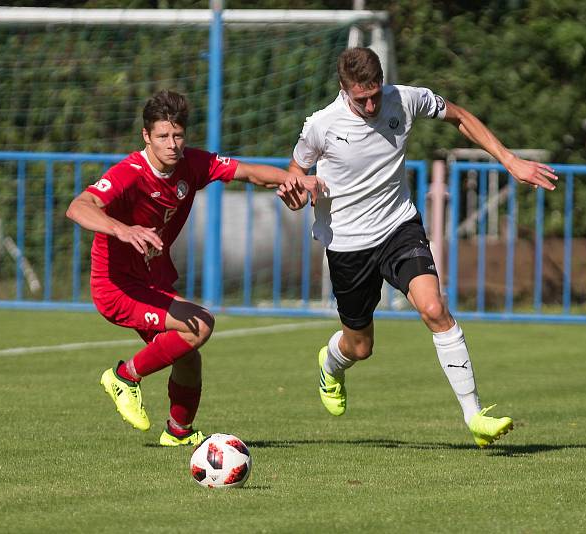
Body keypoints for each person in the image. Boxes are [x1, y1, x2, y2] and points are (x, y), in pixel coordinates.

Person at [282, 47, 558, 447]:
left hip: (399, 227)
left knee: (434, 308)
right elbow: (295, 169)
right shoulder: (321, 126)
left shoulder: (406, 98)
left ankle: (475, 415)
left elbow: (460, 117)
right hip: (347, 244)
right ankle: (331, 362)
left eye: (376, 93)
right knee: (360, 346)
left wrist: (509, 160)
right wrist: (296, 190)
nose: (373, 104)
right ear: (344, 90)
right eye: (362, 99)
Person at [66, 89, 317, 447]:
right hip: (116, 285)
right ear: (146, 137)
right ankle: (124, 377)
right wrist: (123, 229)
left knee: (188, 357)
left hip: (150, 281)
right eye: (163, 136)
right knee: (199, 324)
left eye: (178, 135)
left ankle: (178, 432)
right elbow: (79, 206)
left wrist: (293, 179)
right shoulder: (130, 173)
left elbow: (246, 172)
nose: (172, 144)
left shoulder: (191, 164)